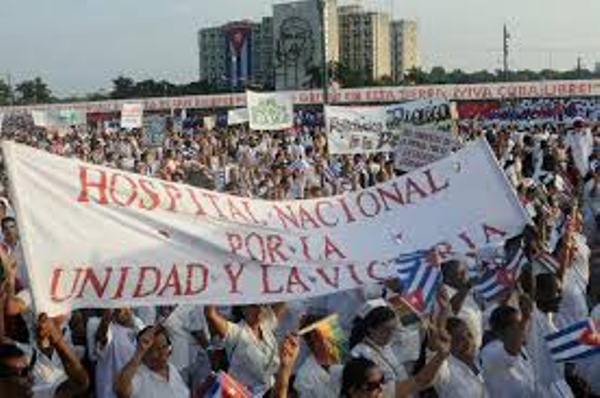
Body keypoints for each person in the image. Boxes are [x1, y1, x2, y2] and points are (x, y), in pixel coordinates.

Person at [0, 314, 89, 398]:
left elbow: (80, 383)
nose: (29, 378)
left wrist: (57, 340)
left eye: (26, 371)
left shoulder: (41, 394)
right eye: (16, 373)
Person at [204, 303, 286, 394]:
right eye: (254, 306)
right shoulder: (235, 332)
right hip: (244, 394)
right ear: (243, 309)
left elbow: (283, 302)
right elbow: (211, 315)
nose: (259, 310)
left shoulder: (267, 326)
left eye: (263, 306)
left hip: (271, 392)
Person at [527, 273, 575, 397]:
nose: (560, 297)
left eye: (560, 292)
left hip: (559, 389)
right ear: (538, 294)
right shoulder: (531, 321)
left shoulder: (549, 321)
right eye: (556, 291)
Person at [114, 325, 189, 398]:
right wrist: (139, 352)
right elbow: (121, 391)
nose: (162, 353)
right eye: (156, 349)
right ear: (145, 352)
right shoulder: (139, 375)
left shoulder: (172, 369)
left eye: (164, 347)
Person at [480, 304, 535, 398]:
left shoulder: (521, 347)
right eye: (517, 324)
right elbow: (511, 351)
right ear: (500, 330)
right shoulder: (490, 351)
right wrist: (525, 318)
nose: (522, 327)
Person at [94, 308, 144, 398]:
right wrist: (106, 320)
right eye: (118, 309)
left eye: (127, 308)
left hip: (133, 390)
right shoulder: (109, 328)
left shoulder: (139, 325)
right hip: (110, 393)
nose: (123, 311)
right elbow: (102, 340)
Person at [434, 317, 489, 398]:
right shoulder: (446, 371)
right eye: (459, 339)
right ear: (448, 344)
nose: (468, 342)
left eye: (469, 335)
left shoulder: (483, 358)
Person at [294, 313, 344, 398]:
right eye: (331, 332)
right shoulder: (304, 377)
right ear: (315, 338)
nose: (338, 336)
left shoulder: (343, 363)